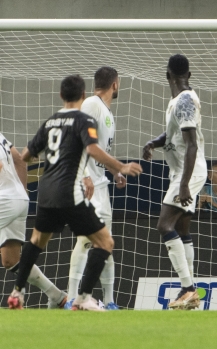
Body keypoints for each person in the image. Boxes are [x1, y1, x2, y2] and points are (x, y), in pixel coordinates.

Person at [7, 75, 142, 311]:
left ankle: (17, 292)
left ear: (61, 95)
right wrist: (120, 166)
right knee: (105, 242)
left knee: (36, 241)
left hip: (46, 194)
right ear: (83, 95)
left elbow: (25, 155)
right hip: (70, 192)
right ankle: (82, 298)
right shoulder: (83, 119)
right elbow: (92, 149)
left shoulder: (50, 122)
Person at [142, 54, 207, 310]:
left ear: (167, 75)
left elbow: (191, 145)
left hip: (187, 172)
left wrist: (184, 184)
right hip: (184, 171)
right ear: (188, 75)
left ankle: (188, 288)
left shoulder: (184, 101)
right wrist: (154, 143)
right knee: (181, 229)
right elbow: (174, 134)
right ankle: (189, 291)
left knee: (163, 224)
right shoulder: (179, 102)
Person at [65, 66, 124, 310]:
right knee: (86, 239)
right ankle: (71, 297)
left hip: (101, 185)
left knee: (105, 242)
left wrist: (114, 171)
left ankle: (109, 301)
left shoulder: (106, 111)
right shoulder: (91, 103)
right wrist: (86, 175)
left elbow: (98, 151)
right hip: (86, 184)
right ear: (115, 84)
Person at [0, 132, 68, 309]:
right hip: (18, 199)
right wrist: (22, 192)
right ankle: (57, 296)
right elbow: (20, 160)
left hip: (3, 201)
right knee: (11, 260)